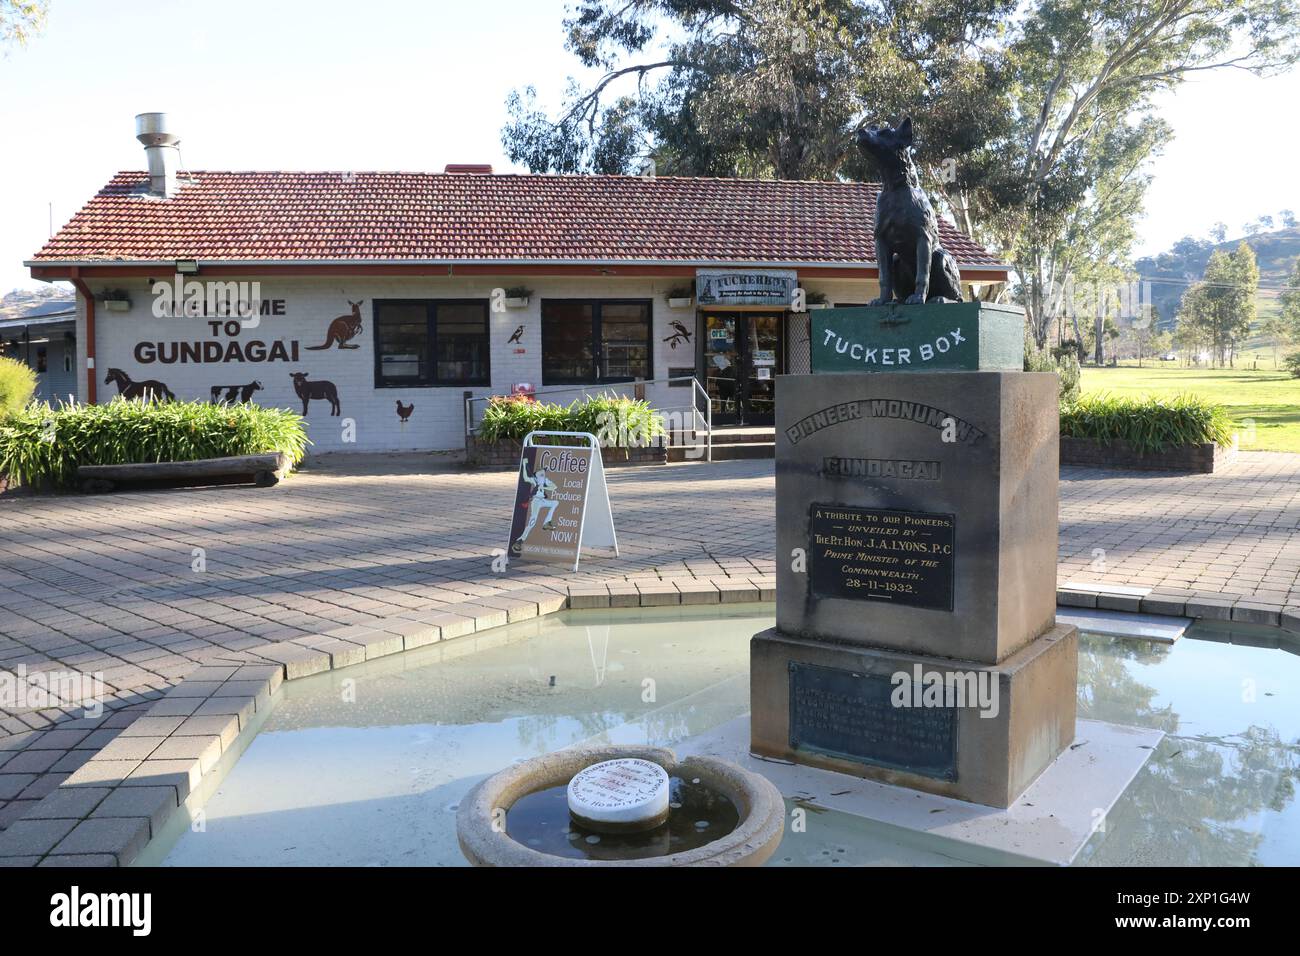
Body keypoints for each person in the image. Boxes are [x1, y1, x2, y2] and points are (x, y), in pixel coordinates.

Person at [515, 457, 559, 547]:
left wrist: (544, 487)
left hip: (543, 500)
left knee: (555, 503)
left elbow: (554, 487)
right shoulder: (534, 480)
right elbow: (526, 478)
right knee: (533, 520)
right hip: (536, 501)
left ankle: (546, 523)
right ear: (537, 474)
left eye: (543, 472)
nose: (543, 474)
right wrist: (524, 464)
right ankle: (521, 540)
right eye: (541, 473)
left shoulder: (545, 481)